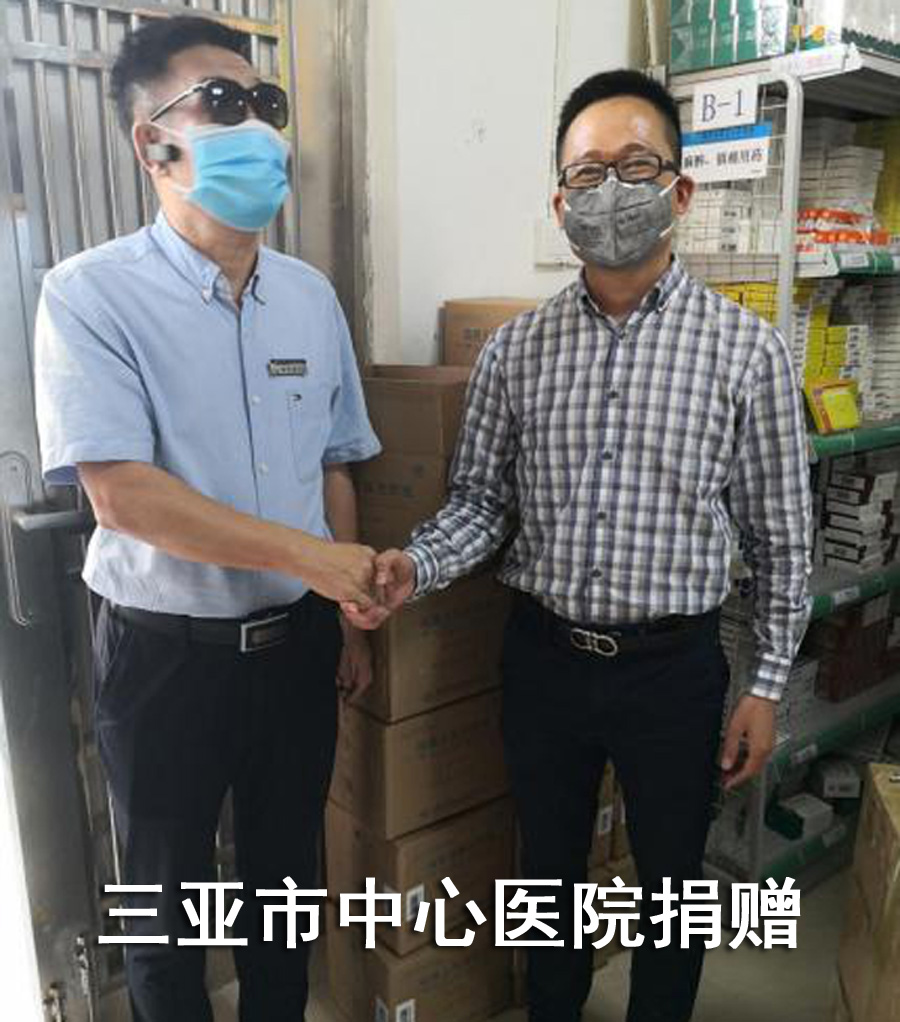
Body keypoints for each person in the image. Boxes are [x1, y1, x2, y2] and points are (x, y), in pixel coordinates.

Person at [345, 69, 813, 1022]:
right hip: (546, 659)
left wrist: (765, 687)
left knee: (672, 886)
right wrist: (411, 565)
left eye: (635, 166)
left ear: (680, 190)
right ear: (561, 204)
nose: (610, 190)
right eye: (587, 173)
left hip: (674, 671)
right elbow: (481, 506)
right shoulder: (516, 353)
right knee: (548, 880)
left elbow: (782, 540)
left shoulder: (747, 352)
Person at [33, 15, 382, 1022]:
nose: (258, 126)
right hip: (165, 658)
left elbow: (334, 460)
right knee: (165, 909)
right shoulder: (91, 295)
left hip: (298, 649)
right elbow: (121, 494)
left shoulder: (310, 298)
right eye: (222, 103)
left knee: (283, 889)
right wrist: (316, 558)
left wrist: (346, 608)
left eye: (266, 103)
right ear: (154, 142)